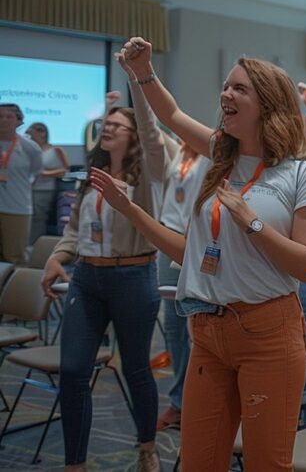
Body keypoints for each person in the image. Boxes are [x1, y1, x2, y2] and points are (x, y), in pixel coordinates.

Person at [100, 37, 306, 471]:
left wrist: (252, 222)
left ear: (268, 102)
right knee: (199, 462)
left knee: (266, 463)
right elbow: (169, 115)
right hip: (207, 331)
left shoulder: (304, 175)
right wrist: (143, 71)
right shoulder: (221, 158)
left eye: (239, 89)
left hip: (267, 335)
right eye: (226, 87)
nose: (225, 94)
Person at [40, 71, 167, 472]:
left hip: (132, 277)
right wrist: (58, 254)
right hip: (87, 279)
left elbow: (152, 135)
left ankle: (147, 445)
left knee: (134, 368)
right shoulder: (93, 174)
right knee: (74, 370)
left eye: (117, 124)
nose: (107, 128)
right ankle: (74, 463)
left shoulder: (146, 178)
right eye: (105, 123)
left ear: (133, 136)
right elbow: (76, 227)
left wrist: (137, 83)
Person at [155, 139, 204, 432]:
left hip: (197, 241)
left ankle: (199, 398)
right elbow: (156, 131)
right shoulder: (177, 155)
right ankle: (179, 400)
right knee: (173, 326)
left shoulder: (209, 155)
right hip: (168, 238)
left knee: (199, 324)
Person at [0, 104, 42, 264]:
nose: (3, 120)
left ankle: (13, 289)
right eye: (0, 116)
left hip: (17, 208)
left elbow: (35, 171)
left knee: (14, 257)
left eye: (9, 116)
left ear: (19, 121)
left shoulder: (30, 148)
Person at [26, 122, 69, 247]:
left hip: (44, 189)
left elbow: (64, 170)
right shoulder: (31, 150)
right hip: (28, 188)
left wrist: (43, 173)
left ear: (43, 133)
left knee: (39, 218)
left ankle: (35, 246)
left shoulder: (55, 150)